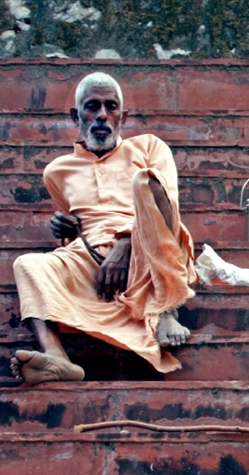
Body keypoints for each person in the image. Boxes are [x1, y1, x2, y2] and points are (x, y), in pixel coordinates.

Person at [11, 72, 198, 384]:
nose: (101, 115)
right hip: (96, 266)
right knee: (27, 264)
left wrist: (127, 241)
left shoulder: (149, 148)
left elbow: (169, 206)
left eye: (110, 107)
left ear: (122, 117)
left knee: (147, 181)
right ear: (76, 115)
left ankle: (165, 310)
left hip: (152, 249)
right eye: (92, 107)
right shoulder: (57, 172)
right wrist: (66, 227)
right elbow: (82, 224)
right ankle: (57, 358)